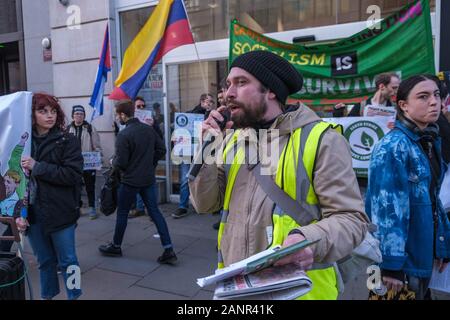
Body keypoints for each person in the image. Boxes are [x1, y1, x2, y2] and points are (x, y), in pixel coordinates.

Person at [189, 51, 369, 300]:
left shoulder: (322, 139)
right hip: (237, 291)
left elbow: (351, 220)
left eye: (241, 83)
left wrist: (307, 240)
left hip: (299, 294)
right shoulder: (231, 139)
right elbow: (204, 204)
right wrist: (206, 148)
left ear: (271, 90)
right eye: (228, 84)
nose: (228, 93)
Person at [366, 74, 450, 300]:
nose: (434, 101)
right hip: (395, 266)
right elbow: (385, 209)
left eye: (436, 95)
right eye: (423, 97)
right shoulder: (391, 147)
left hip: (420, 258)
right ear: (403, 105)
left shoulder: (429, 141)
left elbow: (433, 200)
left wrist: (442, 244)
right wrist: (390, 264)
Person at [18, 93, 83, 300]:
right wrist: (18, 212)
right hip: (33, 216)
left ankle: (75, 295)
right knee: (45, 261)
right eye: (43, 111)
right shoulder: (23, 142)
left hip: (61, 213)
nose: (49, 116)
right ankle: (48, 297)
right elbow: (14, 181)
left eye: (53, 111)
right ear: (32, 114)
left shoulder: (67, 140)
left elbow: (73, 175)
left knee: (69, 261)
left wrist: (38, 167)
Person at [98, 100, 176, 264]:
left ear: (123, 115)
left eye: (117, 114)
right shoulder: (147, 130)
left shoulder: (124, 135)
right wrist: (150, 164)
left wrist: (113, 162)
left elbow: (121, 163)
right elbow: (161, 149)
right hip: (147, 179)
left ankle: (116, 245)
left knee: (122, 213)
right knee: (155, 213)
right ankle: (169, 249)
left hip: (129, 181)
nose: (116, 117)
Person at [172, 93, 215, 219]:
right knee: (185, 180)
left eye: (211, 102)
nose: (210, 104)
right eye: (208, 101)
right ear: (202, 101)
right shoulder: (189, 114)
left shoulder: (212, 117)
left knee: (204, 178)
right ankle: (183, 206)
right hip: (188, 151)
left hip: (203, 152)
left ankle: (203, 204)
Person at [67, 105, 102, 220]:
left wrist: (98, 159)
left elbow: (96, 146)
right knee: (75, 186)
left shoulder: (90, 128)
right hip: (73, 164)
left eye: (81, 114)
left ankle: (92, 207)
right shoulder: (68, 129)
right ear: (73, 116)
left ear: (84, 116)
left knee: (90, 186)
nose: (79, 116)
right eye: (76, 114)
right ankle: (78, 207)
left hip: (88, 163)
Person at [333, 73, 400, 118]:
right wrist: (338, 113)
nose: (396, 91)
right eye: (394, 88)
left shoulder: (396, 109)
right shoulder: (360, 107)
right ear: (382, 86)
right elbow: (348, 127)